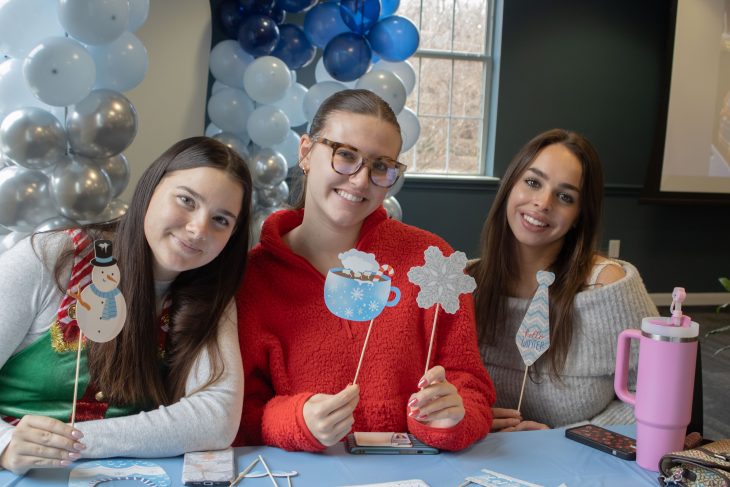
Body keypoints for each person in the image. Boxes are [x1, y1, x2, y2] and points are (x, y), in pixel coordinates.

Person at [235, 89, 494, 452]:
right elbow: (238, 413)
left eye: (380, 166)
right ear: (306, 152)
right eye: (345, 155)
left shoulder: (431, 263)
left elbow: (472, 388)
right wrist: (295, 419)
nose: (360, 180)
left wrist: (451, 416)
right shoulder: (250, 279)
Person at [0, 137, 252, 475]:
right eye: (186, 200)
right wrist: (6, 443)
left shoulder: (212, 299)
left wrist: (66, 443)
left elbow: (216, 418)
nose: (197, 229)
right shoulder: (49, 259)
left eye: (221, 220)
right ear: (150, 189)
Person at [470, 129, 657, 432]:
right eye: (532, 182)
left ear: (579, 216)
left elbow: (654, 397)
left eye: (564, 196)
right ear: (509, 186)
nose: (543, 203)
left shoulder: (609, 285)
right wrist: (467, 417)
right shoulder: (466, 285)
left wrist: (565, 440)